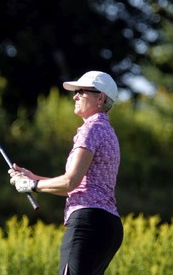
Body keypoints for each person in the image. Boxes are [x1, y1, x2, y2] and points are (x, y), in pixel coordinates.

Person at [8, 71, 123, 275]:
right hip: (108, 226)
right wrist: (33, 177)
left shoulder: (91, 129)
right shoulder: (107, 131)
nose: (75, 96)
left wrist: (31, 186)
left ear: (101, 98)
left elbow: (70, 182)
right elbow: (76, 186)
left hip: (88, 222)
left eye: (81, 91)